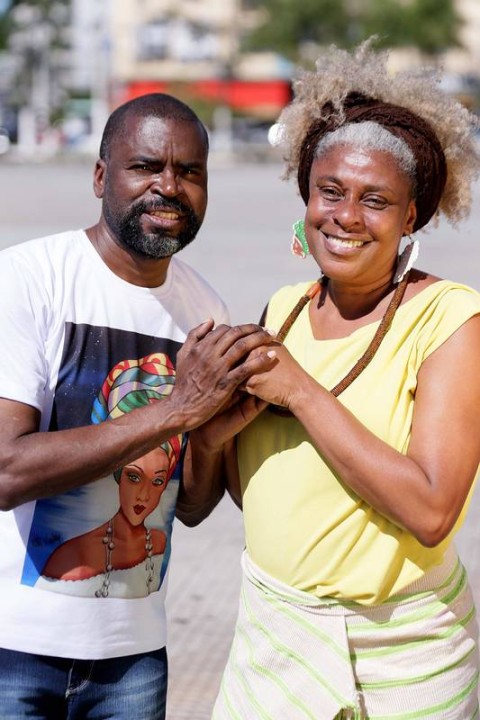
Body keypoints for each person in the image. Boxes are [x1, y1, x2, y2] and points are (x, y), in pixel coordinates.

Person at [186, 41, 480, 718]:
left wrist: (299, 392)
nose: (346, 216)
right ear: (306, 195)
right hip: (272, 641)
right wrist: (206, 437)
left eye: (376, 200)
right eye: (331, 192)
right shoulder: (284, 312)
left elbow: (432, 513)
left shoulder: (450, 318)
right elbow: (238, 498)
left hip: (404, 653)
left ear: (413, 217)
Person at [0, 93, 276, 719]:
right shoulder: (28, 279)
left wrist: (211, 435)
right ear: (101, 177)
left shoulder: (203, 312)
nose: (169, 187)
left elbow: (194, 508)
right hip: (13, 649)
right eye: (146, 167)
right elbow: (7, 472)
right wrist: (178, 411)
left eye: (190, 172)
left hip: (135, 657)